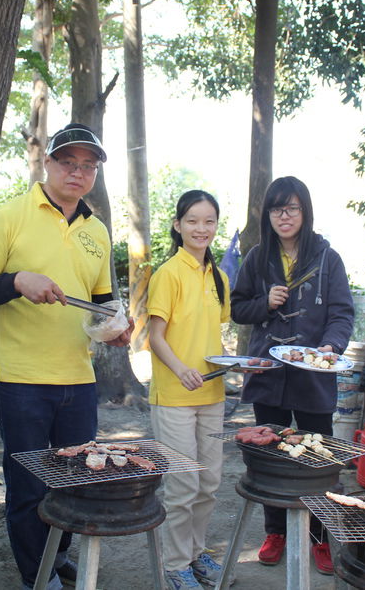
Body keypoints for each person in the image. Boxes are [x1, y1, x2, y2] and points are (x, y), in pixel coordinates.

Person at [0, 124, 131, 590]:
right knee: (28, 486)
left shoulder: (97, 231)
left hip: (77, 378)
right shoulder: (9, 215)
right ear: (48, 163)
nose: (78, 172)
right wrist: (17, 281)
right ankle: (38, 575)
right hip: (20, 380)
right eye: (68, 162)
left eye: (88, 165)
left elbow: (100, 303)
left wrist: (115, 327)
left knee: (75, 478)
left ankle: (57, 557)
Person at [230, 176, 355, 575]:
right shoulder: (257, 257)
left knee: (319, 457)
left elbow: (342, 313)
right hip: (268, 373)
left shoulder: (327, 258)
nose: (284, 216)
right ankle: (276, 532)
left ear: (305, 211)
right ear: (268, 214)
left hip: (313, 375)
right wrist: (264, 303)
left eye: (292, 208)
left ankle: (320, 537)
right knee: (271, 453)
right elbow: (237, 309)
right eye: (276, 209)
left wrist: (330, 346)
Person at [148, 190, 231, 590]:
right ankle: (176, 564)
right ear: (178, 225)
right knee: (183, 485)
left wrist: (237, 363)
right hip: (175, 396)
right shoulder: (167, 273)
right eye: (193, 221)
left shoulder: (219, 277)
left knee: (209, 483)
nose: (202, 228)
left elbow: (212, 334)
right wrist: (181, 370)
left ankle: (196, 553)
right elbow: (155, 337)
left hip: (213, 395)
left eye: (209, 221)